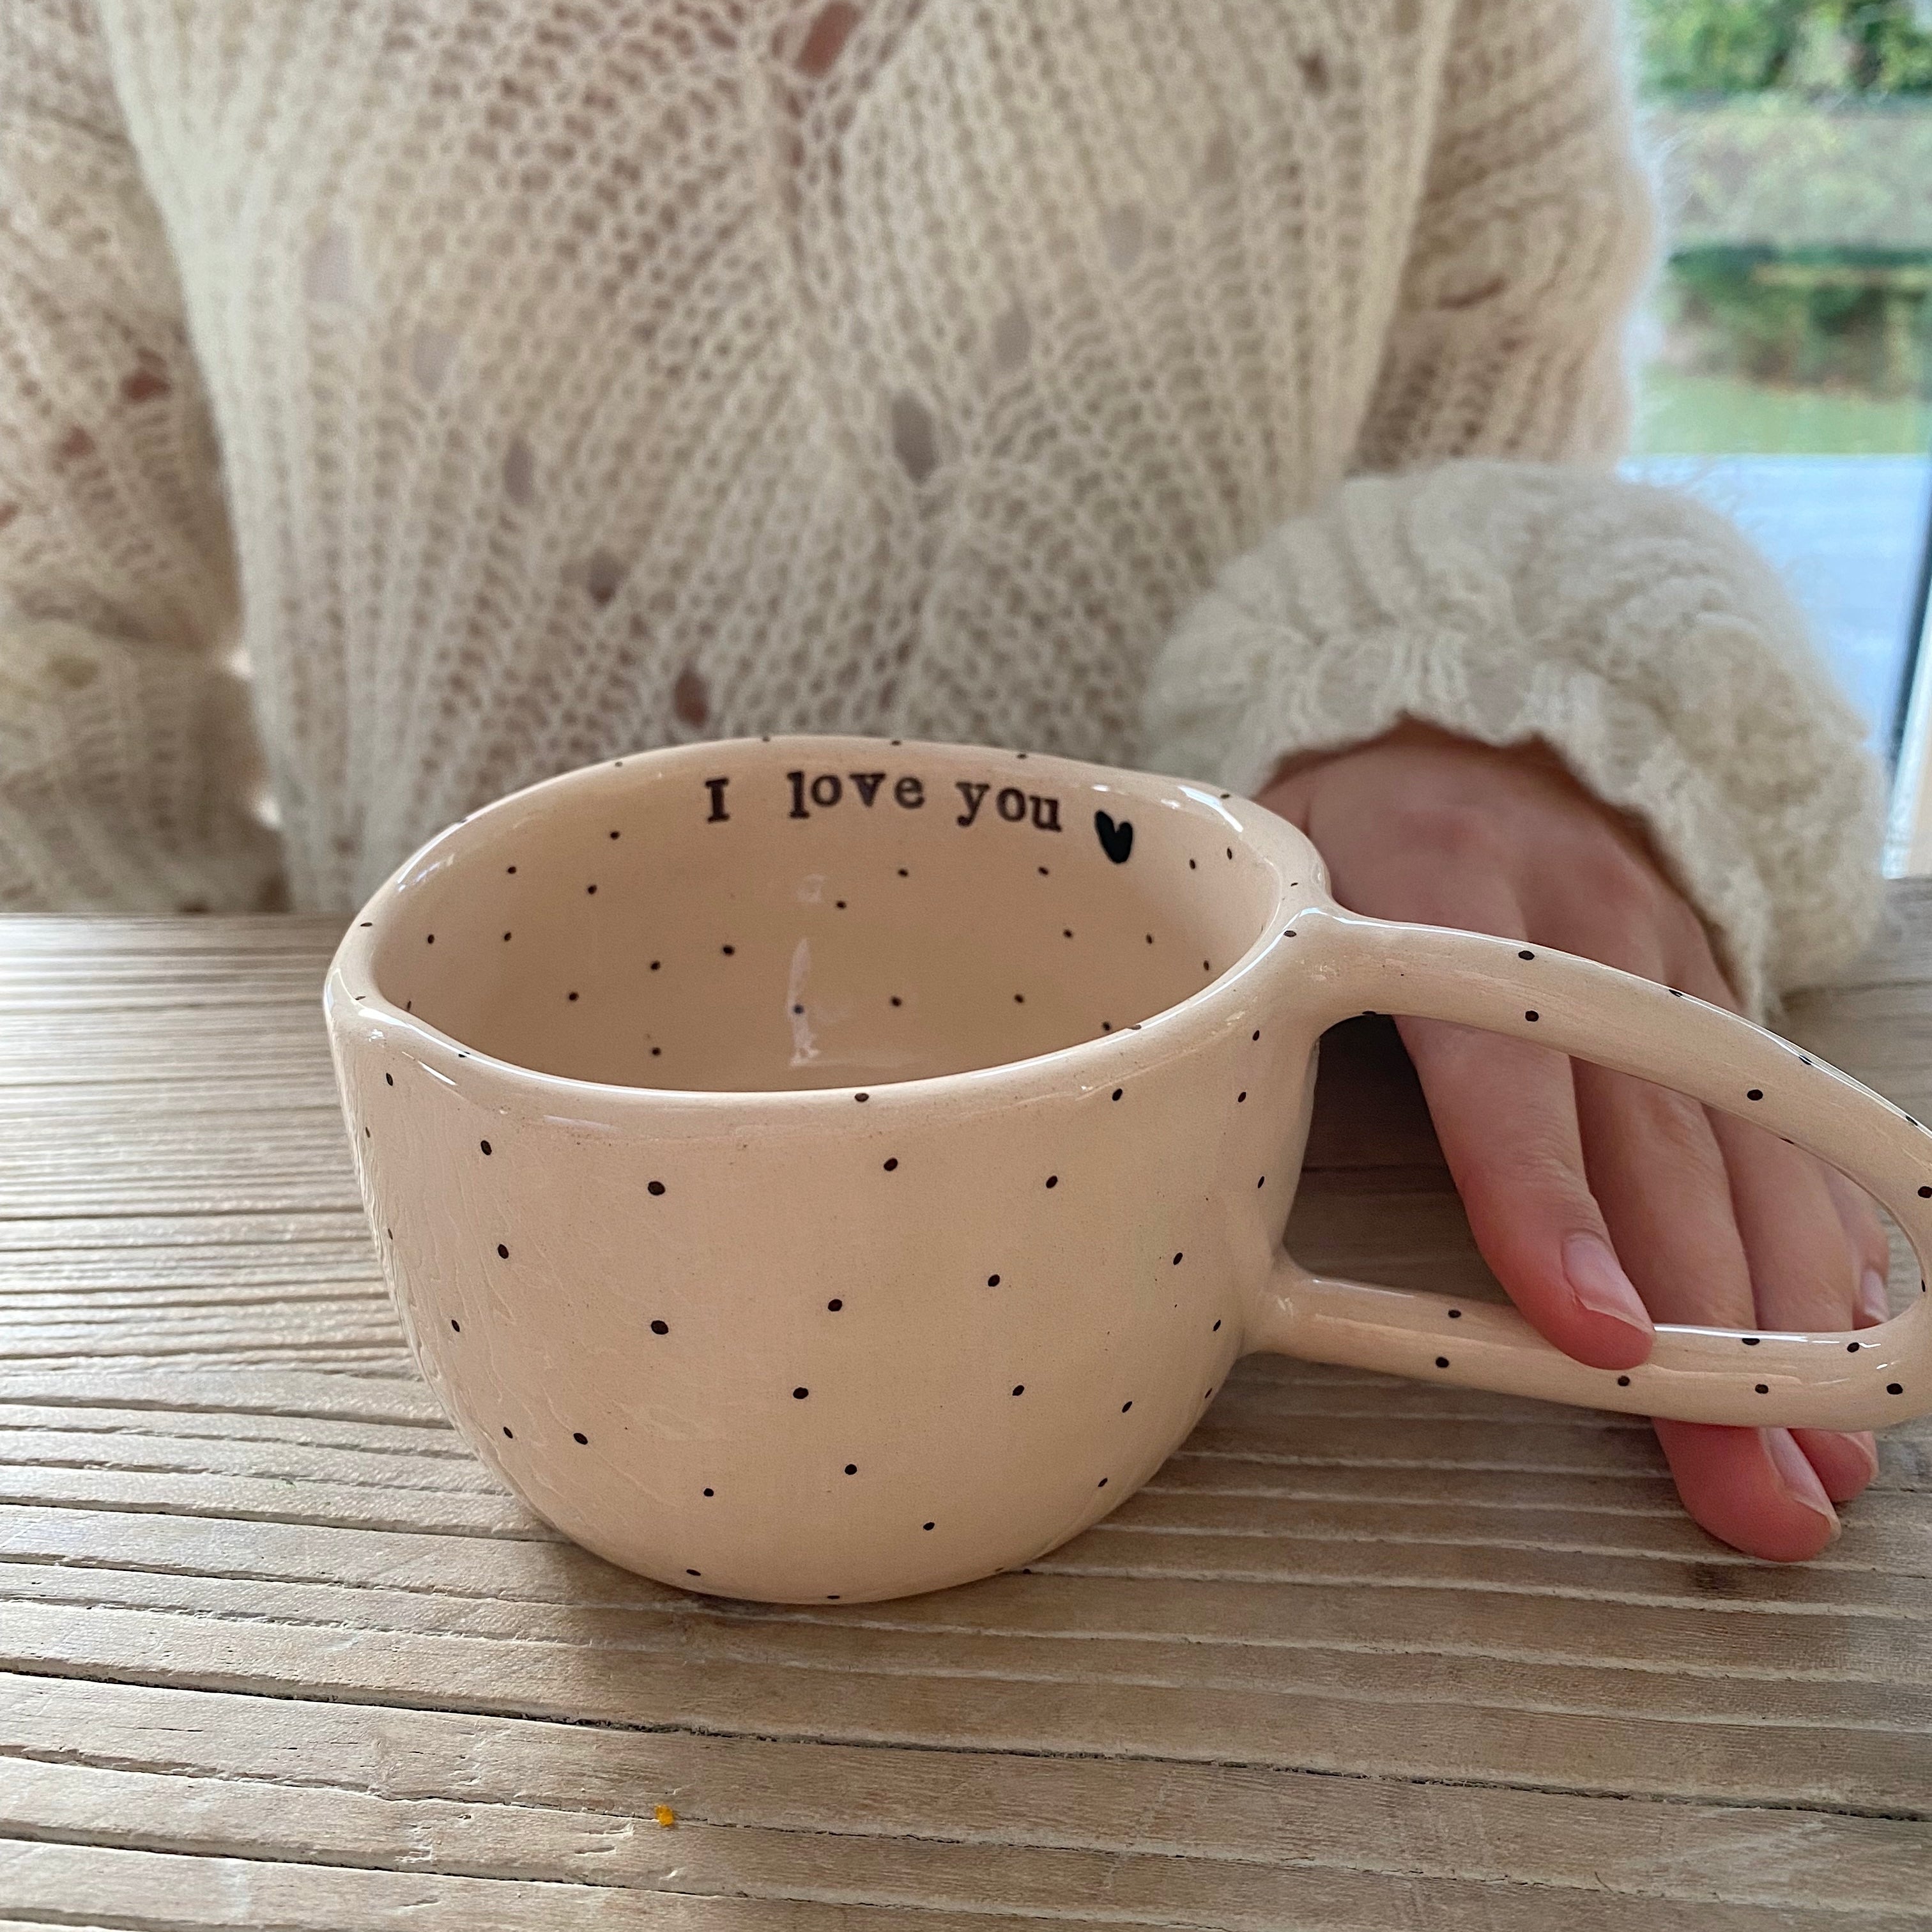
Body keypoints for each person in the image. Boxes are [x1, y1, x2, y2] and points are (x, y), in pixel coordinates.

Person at [0, 0, 1893, 1560]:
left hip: (1249, 1426)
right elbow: (44, 685)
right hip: (355, 1442)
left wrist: (1475, 683)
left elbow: (1510, 455)